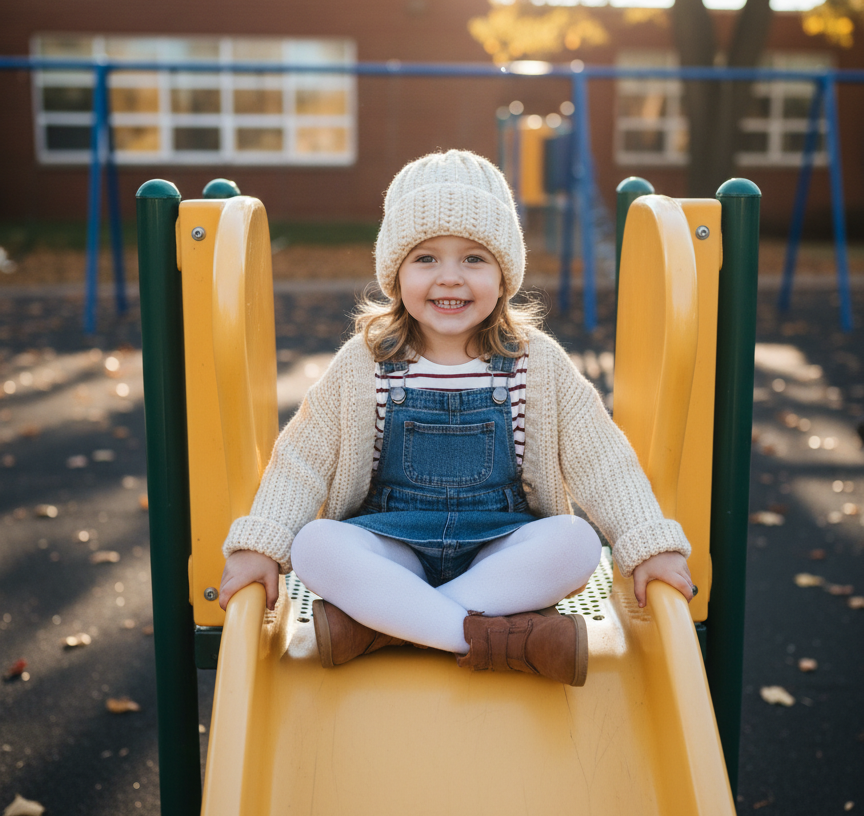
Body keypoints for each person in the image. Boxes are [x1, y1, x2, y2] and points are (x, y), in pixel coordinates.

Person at [219, 150, 693, 687]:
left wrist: (648, 544)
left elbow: (603, 460)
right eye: (426, 259)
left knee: (577, 542)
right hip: (396, 544)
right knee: (315, 545)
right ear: (395, 274)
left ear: (504, 273)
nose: (450, 278)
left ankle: (390, 628)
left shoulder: (535, 362)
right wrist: (261, 545)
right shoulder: (365, 362)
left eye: (473, 259)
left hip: (500, 546)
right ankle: (482, 636)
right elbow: (302, 458)